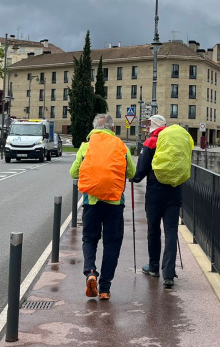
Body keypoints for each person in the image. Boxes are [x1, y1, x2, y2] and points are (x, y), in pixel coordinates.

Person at [70, 113, 136, 300]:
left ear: (94, 128)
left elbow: (73, 172)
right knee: (112, 244)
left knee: (89, 240)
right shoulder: (121, 146)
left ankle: (90, 272)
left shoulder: (86, 146)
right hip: (115, 203)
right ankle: (105, 288)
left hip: (91, 202)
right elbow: (131, 171)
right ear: (112, 128)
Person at [130, 114, 181, 288]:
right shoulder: (174, 141)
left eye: (148, 125)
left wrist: (133, 178)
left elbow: (141, 170)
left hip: (155, 193)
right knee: (171, 231)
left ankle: (153, 268)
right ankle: (168, 274)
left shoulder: (151, 142)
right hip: (175, 191)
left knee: (153, 229)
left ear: (152, 126)